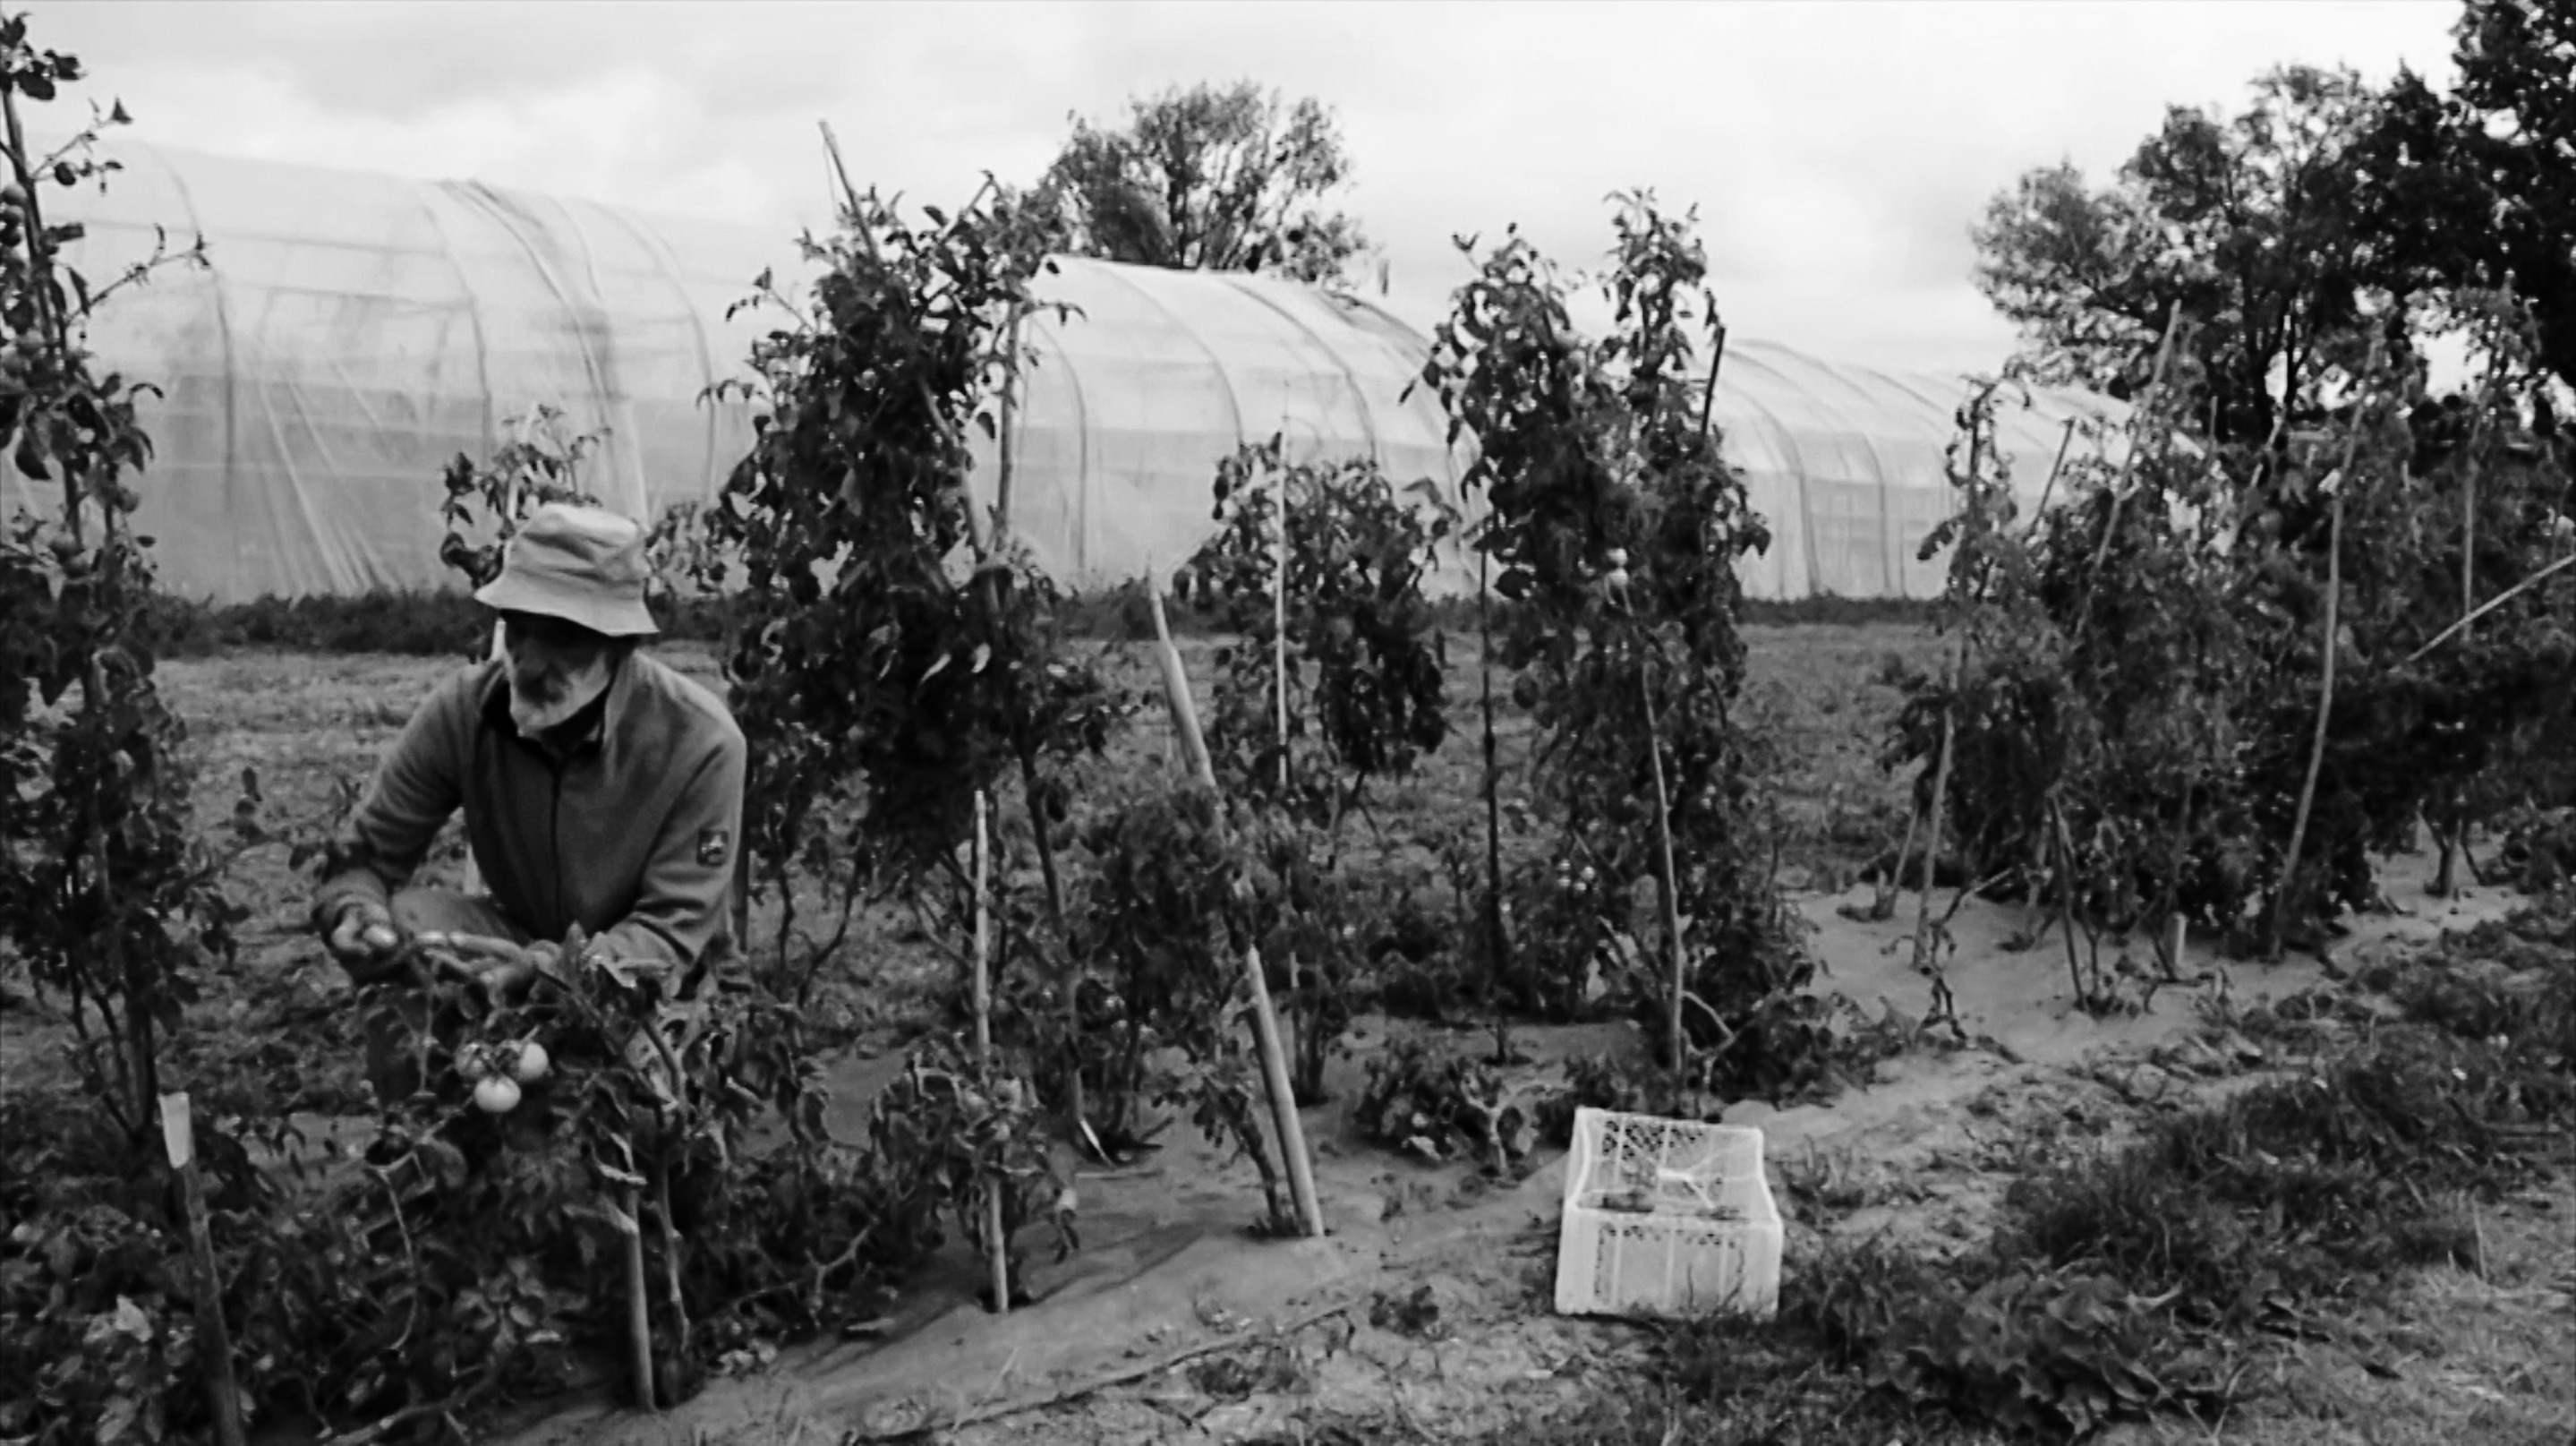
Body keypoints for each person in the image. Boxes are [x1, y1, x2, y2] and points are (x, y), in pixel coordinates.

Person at [312, 503, 746, 1099]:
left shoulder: (700, 744)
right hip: (521, 936)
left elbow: (668, 936)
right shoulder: (465, 711)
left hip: (656, 978)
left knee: (641, 1109)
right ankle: (425, 1141)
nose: (532, 662)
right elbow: (366, 853)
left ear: (622, 644)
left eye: (565, 637)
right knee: (415, 927)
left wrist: (550, 971)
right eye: (519, 627)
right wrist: (355, 911)